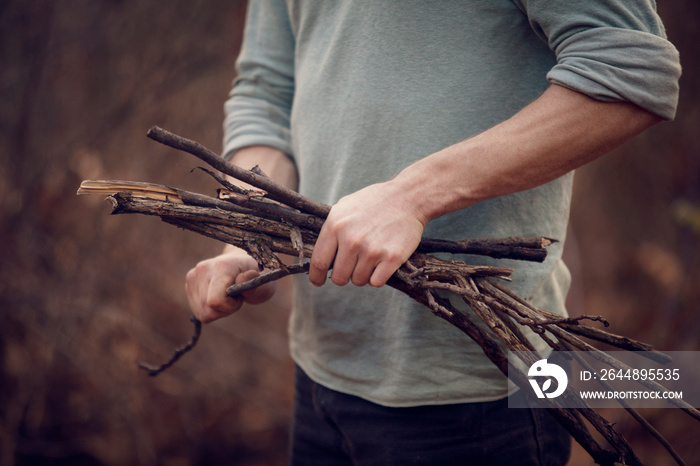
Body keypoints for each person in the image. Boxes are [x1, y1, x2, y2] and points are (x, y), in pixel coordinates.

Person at [186, 1, 681, 464]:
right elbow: (266, 92)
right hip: (320, 374)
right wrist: (249, 235)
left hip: (483, 395)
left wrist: (412, 196)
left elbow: (630, 68)